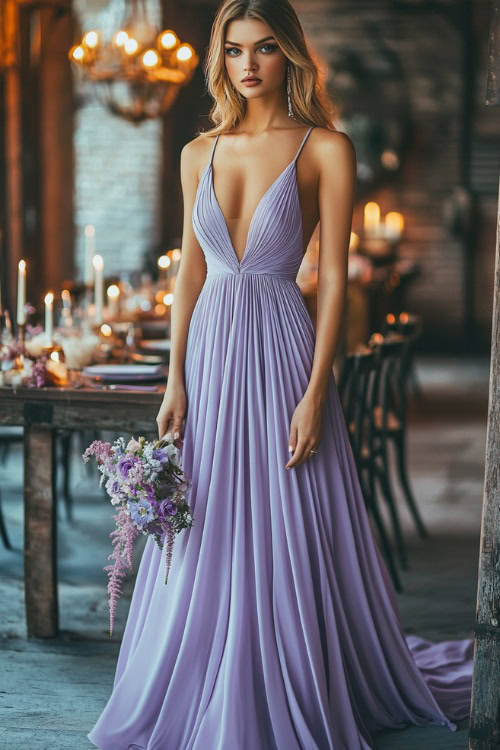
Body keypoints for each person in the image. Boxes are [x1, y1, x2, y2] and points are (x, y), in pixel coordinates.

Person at [88, 1, 474, 748]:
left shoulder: (326, 148)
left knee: (287, 503)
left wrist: (316, 388)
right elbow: (189, 280)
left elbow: (329, 280)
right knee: (208, 510)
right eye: (235, 51)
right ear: (220, 59)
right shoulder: (197, 152)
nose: (250, 65)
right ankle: (203, 666)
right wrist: (174, 380)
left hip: (282, 343)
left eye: (265, 48)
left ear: (291, 54)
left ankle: (287, 665)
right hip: (209, 348)